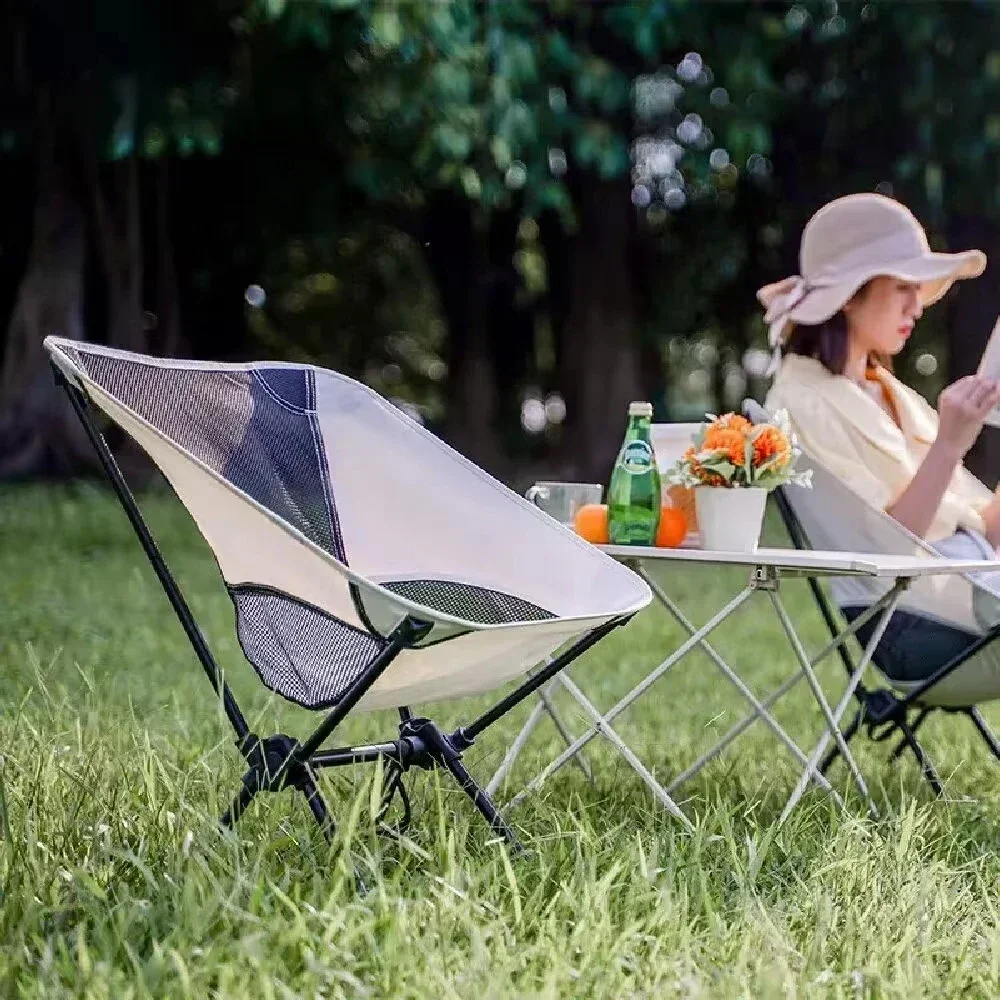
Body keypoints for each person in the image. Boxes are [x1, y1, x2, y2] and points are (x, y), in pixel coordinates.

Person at [759, 192, 1000, 682]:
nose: (918, 306)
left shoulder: (895, 396)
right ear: (851, 293)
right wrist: (950, 444)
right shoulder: (797, 401)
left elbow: (987, 534)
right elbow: (885, 556)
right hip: (917, 624)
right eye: (903, 287)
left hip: (977, 592)